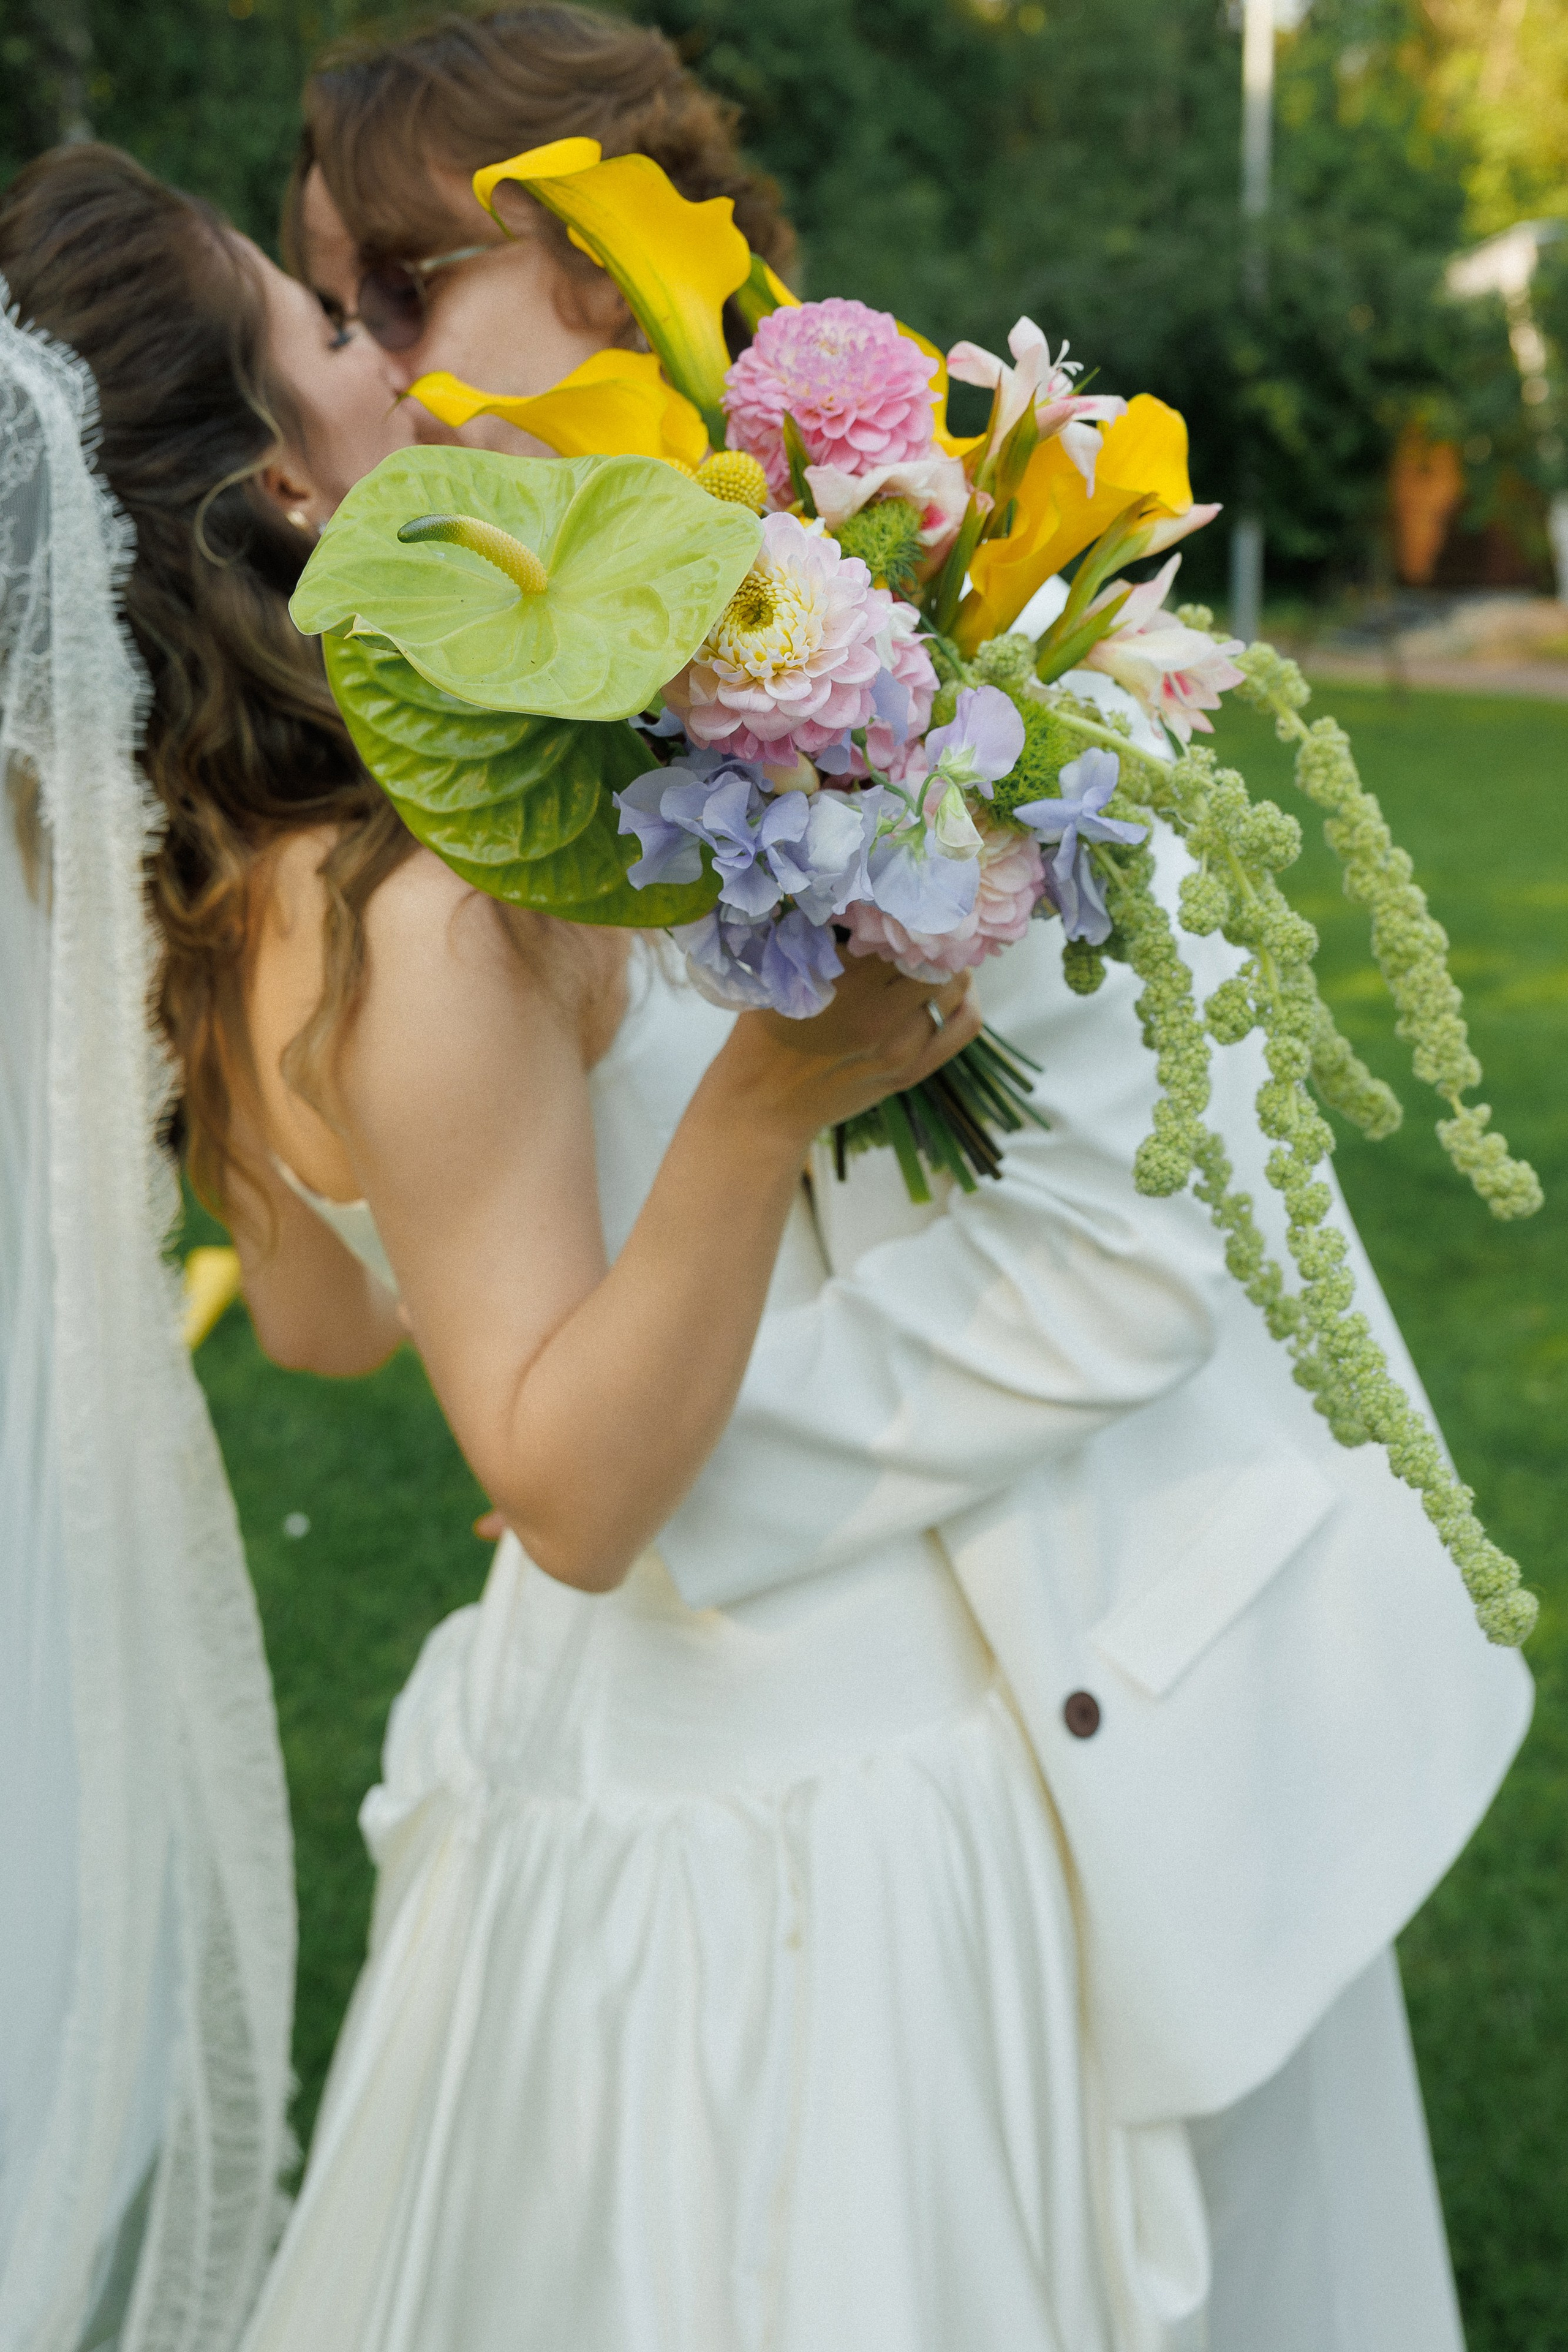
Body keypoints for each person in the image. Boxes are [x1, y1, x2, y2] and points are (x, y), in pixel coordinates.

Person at [290, 9, 1532, 2345]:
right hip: (692, 1714)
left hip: (1096, 1671)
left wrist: (663, 1461)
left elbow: (1137, 1251)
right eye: (332, 312)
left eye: (402, 288)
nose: (368, 374)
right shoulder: (514, 711)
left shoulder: (958, 627)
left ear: (629, 272)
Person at [3, 141, 1239, 2352]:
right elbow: (564, 1488)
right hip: (752, 1800)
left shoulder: (211, 912)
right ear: (285, 489)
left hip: (584, 1766)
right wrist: (765, 1103)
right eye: (327, 342)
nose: (385, 364)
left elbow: (312, 1325)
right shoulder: (418, 905)